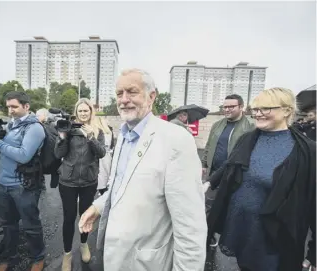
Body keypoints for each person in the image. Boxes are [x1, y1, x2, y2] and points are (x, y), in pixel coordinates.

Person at [79, 69, 207, 271]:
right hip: (116, 257)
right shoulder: (123, 135)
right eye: (119, 93)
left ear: (152, 96)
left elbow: (190, 228)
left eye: (132, 92)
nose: (124, 99)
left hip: (146, 263)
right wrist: (98, 207)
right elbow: (122, 186)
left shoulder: (176, 140)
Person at [205, 87, 316, 271]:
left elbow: (314, 200)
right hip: (241, 226)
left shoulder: (307, 151)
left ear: (287, 111)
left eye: (265, 109)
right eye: (255, 109)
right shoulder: (248, 139)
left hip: (271, 238)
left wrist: (315, 251)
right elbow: (231, 164)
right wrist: (209, 182)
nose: (257, 114)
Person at [0, 91, 46, 271]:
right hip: (4, 184)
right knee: (7, 225)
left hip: (23, 186)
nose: (10, 110)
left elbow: (24, 156)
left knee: (31, 225)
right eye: (8, 106)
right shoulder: (12, 125)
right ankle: (10, 257)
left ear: (26, 106)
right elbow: (4, 154)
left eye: (14, 106)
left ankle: (38, 257)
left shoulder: (34, 128)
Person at [54, 98, 106, 271]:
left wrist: (91, 137)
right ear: (76, 113)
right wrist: (62, 137)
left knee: (85, 217)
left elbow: (102, 153)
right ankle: (67, 254)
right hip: (68, 181)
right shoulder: (68, 129)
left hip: (88, 181)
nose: (83, 114)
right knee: (69, 218)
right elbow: (58, 154)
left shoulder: (97, 130)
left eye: (86, 111)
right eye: (80, 111)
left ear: (91, 112)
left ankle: (83, 244)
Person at [202, 94, 254, 247]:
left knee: (231, 208)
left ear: (241, 107)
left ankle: (232, 240)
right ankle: (207, 236)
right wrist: (204, 163)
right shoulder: (217, 125)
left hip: (236, 175)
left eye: (231, 106)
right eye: (225, 106)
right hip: (214, 173)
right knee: (208, 207)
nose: (227, 109)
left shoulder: (250, 126)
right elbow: (209, 145)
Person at [36, 108, 60, 189]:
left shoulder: (53, 124)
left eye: (38, 115)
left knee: (50, 168)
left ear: (44, 115)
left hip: (51, 154)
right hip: (47, 154)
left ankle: (50, 185)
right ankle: (43, 184)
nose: (36, 117)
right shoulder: (39, 125)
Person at [94, 116, 115, 195]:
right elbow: (112, 145)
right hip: (108, 155)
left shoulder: (98, 132)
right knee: (106, 173)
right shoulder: (109, 131)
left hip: (100, 155)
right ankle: (104, 190)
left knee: (100, 173)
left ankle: (99, 189)